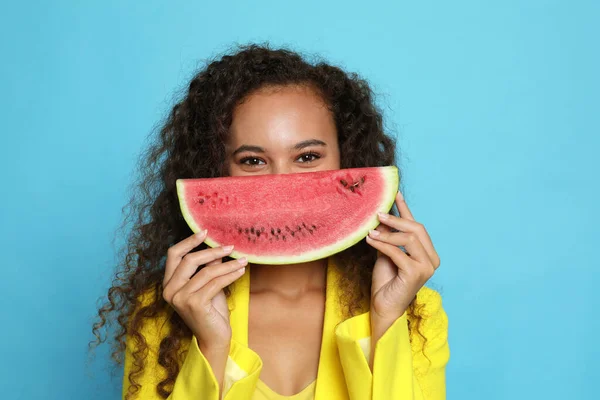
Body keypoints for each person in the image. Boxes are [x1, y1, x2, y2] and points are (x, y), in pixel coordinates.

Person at [91, 44, 449, 400]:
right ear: (216, 170)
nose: (282, 185)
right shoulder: (168, 310)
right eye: (252, 161)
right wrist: (211, 348)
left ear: (347, 159)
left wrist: (386, 323)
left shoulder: (416, 313)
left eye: (307, 156)